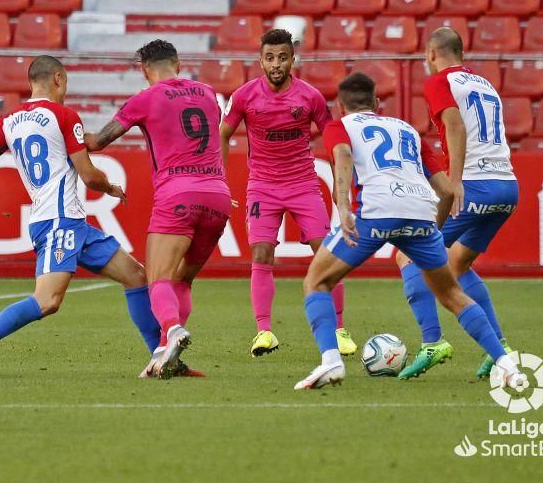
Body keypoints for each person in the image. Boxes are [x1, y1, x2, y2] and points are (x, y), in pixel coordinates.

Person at [294, 72, 526, 391]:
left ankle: (331, 361)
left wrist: (344, 205)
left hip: (375, 210)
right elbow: (446, 189)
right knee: (451, 293)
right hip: (419, 211)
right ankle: (507, 364)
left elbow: (344, 155)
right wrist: (433, 228)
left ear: (340, 106)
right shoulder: (407, 130)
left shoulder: (340, 126)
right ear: (377, 103)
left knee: (316, 281)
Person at [0, 56, 170, 379]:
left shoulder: (10, 120)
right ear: (59, 79)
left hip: (69, 222)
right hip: (58, 222)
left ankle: (158, 359)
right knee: (48, 300)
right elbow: (89, 175)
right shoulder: (63, 115)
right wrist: (110, 188)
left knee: (135, 276)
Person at [84, 40, 232, 379]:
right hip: (218, 194)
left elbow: (97, 142)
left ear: (144, 69)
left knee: (158, 277)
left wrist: (68, 134)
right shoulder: (209, 93)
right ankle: (165, 353)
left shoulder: (145, 99)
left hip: (177, 194)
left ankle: (171, 331)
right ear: (178, 64)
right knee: (183, 280)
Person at [219, 29, 357, 358]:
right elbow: (222, 134)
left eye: (282, 57)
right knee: (261, 254)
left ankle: (339, 330)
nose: (276, 64)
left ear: (293, 59)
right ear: (260, 61)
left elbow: (336, 140)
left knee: (327, 256)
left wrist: (342, 189)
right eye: (269, 58)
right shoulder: (243, 96)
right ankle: (264, 331)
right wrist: (219, 182)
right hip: (262, 187)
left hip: (303, 185)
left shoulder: (310, 97)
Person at [396, 27, 519, 380]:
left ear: (431, 53)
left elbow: (456, 127)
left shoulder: (438, 82)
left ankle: (432, 342)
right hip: (507, 186)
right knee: (458, 265)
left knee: (408, 252)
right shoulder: (485, 84)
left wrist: (456, 180)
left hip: (475, 186)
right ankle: (500, 349)